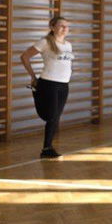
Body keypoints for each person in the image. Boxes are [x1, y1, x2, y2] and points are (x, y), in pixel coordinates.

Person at [19, 16, 73, 159]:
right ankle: (47, 148)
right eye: (61, 26)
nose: (65, 29)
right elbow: (24, 56)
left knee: (55, 117)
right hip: (49, 83)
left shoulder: (68, 45)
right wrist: (33, 76)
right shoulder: (45, 42)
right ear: (52, 27)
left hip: (64, 84)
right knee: (51, 116)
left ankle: (47, 148)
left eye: (67, 26)